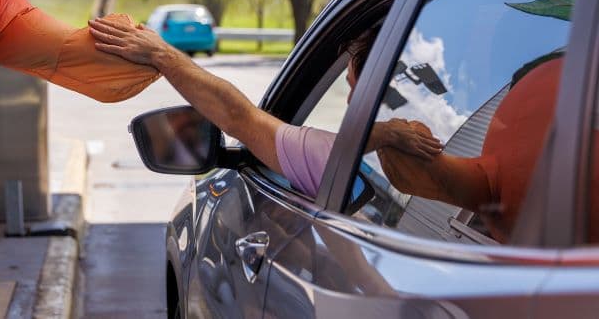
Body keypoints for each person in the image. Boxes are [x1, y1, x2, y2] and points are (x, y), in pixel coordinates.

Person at [88, 16, 442, 198]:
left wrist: (160, 55)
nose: (352, 104)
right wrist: (387, 133)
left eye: (356, 91)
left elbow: (238, 118)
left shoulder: (333, 161)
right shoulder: (461, 171)